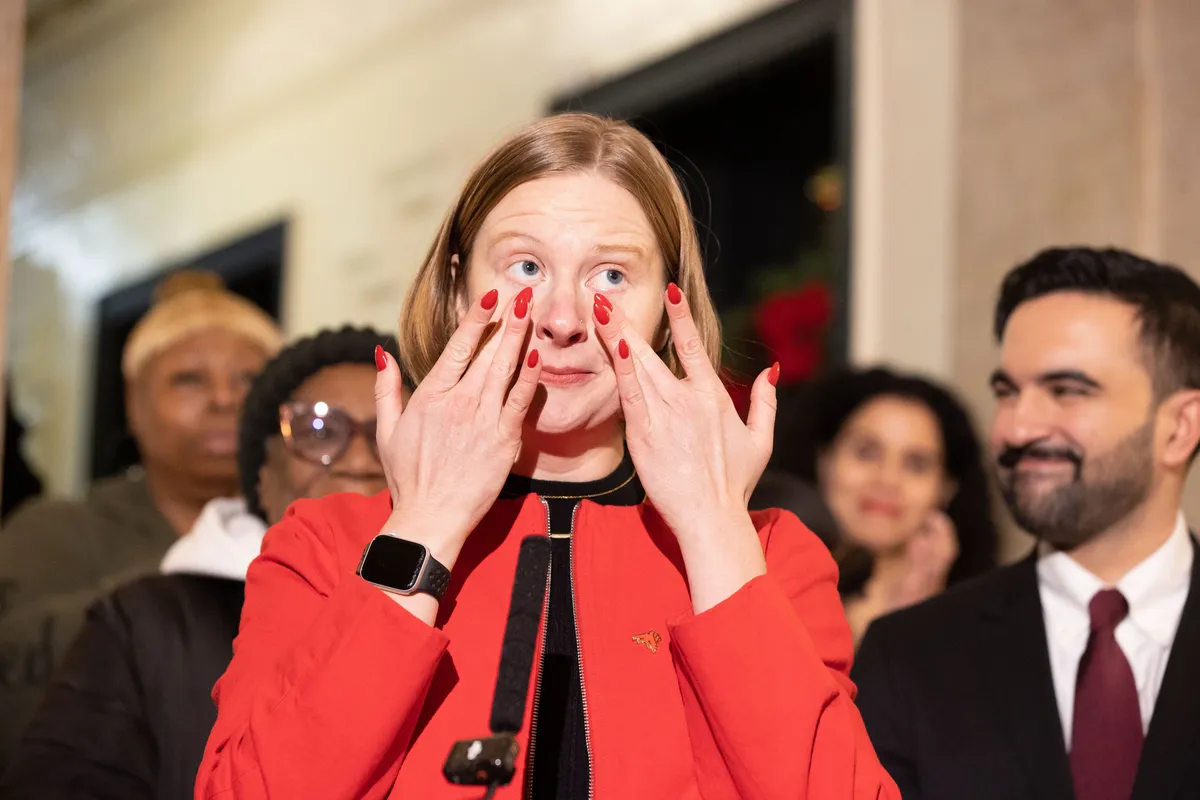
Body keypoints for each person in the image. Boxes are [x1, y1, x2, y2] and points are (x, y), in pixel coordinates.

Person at [196, 113, 899, 800]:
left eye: (612, 277)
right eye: (526, 266)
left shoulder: (773, 559)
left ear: (667, 303)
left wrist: (716, 535)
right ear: (457, 286)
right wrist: (426, 526)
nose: (562, 320)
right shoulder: (325, 545)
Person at [852, 247, 1200, 800]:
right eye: (1007, 392)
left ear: (1180, 427)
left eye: (1067, 391)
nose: (1016, 428)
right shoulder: (911, 658)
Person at [0, 326, 402, 800]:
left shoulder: (489, 601)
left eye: (390, 428)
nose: (358, 458)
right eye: (316, 429)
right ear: (263, 474)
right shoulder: (143, 619)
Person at [0, 271, 282, 765]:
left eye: (249, 380)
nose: (225, 399)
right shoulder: (52, 534)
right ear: (135, 405)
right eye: (189, 379)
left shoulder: (305, 532)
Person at [773, 367, 998, 645]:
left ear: (946, 489)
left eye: (916, 465)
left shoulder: (979, 631)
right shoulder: (761, 597)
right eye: (867, 453)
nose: (887, 479)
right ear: (823, 460)